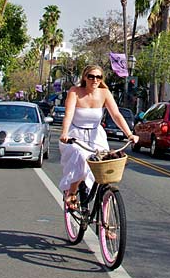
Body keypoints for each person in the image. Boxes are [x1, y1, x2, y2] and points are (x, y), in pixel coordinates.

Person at [58, 65, 138, 210]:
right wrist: (64, 133)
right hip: (76, 134)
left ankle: (107, 222)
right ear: (85, 77)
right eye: (91, 76)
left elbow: (116, 115)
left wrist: (129, 134)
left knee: (104, 166)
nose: (95, 80)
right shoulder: (75, 92)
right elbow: (68, 115)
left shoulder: (105, 93)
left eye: (98, 77)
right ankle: (72, 191)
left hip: (96, 135)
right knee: (81, 156)